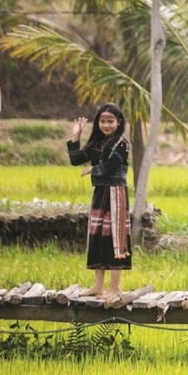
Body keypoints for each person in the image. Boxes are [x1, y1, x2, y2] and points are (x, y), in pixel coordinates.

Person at [66, 103, 131, 301]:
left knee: (114, 238)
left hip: (116, 193)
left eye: (110, 121)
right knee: (97, 237)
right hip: (100, 193)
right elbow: (76, 159)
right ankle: (97, 286)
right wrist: (76, 136)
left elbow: (111, 166)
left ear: (118, 122)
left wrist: (92, 170)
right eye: (102, 121)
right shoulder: (96, 142)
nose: (106, 125)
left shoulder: (121, 143)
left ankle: (115, 286)